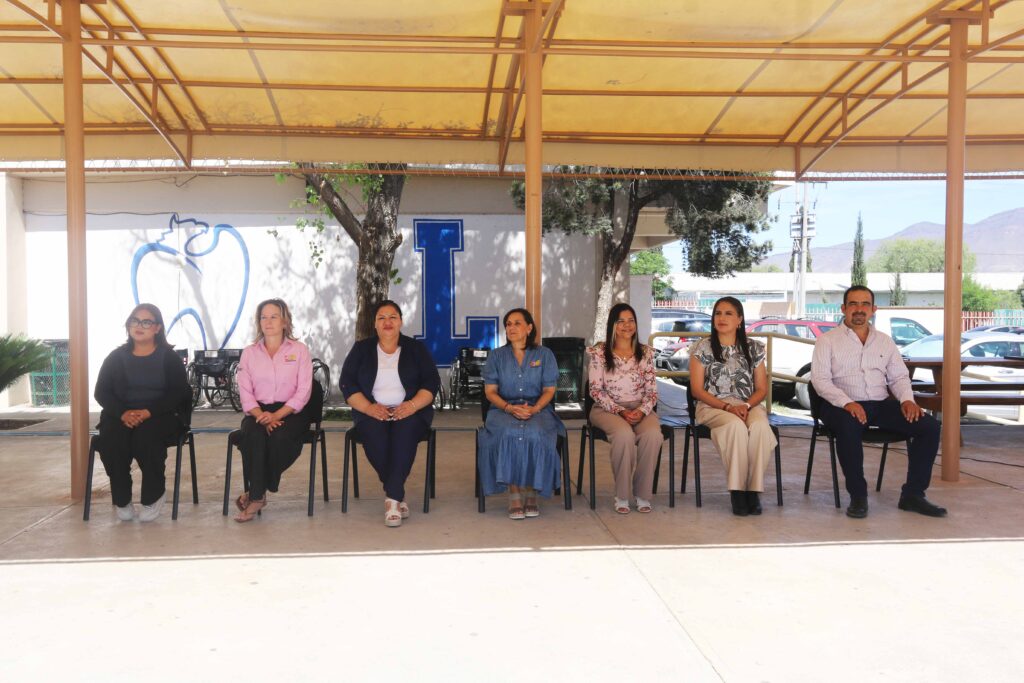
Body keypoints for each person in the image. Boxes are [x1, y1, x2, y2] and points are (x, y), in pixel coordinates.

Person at [811, 285, 945, 519]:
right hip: (839, 405)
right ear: (843, 308)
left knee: (929, 427)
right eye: (853, 304)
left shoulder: (885, 341)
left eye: (865, 304)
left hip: (879, 403)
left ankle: (913, 495)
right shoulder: (827, 341)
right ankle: (858, 496)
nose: (859, 309)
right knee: (848, 425)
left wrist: (907, 400)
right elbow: (820, 381)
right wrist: (847, 403)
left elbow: (899, 377)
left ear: (874, 309)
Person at [340, 300, 440, 527]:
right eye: (381, 318)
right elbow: (347, 383)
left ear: (401, 322)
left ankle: (392, 500)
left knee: (405, 433)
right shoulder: (361, 349)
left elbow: (431, 382)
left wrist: (411, 406)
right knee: (374, 434)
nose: (387, 322)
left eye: (393, 317)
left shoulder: (415, 349)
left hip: (411, 411)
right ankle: (397, 493)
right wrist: (369, 408)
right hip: (371, 411)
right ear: (374, 324)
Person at [94, 303, 191, 522]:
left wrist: (148, 412)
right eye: (135, 321)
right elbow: (101, 392)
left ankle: (153, 497)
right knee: (112, 440)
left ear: (157, 328)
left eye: (146, 322)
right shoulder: (115, 357)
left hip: (161, 415)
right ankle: (122, 499)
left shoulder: (169, 358)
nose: (139, 326)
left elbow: (178, 393)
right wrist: (123, 413)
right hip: (120, 415)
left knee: (146, 437)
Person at [688, 296, 777, 516]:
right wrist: (728, 408)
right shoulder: (702, 347)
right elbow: (697, 390)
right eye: (718, 313)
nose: (722, 318)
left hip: (748, 404)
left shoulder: (754, 348)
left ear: (739, 319)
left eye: (728, 313)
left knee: (760, 427)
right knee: (735, 427)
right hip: (712, 406)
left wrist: (745, 405)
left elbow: (761, 389)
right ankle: (737, 491)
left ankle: (753, 491)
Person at [478, 308, 563, 520]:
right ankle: (514, 493)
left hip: (538, 409)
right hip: (503, 409)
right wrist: (509, 408)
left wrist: (534, 409)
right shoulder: (496, 356)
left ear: (529, 328)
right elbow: (490, 392)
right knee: (509, 432)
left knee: (535, 432)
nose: (511, 327)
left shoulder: (544, 355)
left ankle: (532, 492)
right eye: (508, 324)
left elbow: (549, 390)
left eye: (517, 323)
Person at [233, 299, 314, 522]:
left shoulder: (299, 350)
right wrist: (262, 416)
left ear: (285, 321)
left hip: (291, 411)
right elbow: (245, 392)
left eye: (274, 317)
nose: (268, 322)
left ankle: (256, 493)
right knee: (252, 435)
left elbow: (304, 390)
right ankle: (258, 496)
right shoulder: (249, 353)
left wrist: (276, 416)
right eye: (263, 317)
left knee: (280, 438)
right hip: (257, 411)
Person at [587, 302, 661, 514]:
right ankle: (622, 495)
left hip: (640, 408)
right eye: (621, 321)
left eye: (631, 321)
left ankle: (642, 494)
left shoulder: (645, 353)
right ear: (612, 325)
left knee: (653, 435)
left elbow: (652, 391)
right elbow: (595, 390)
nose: (627, 325)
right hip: (606, 409)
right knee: (623, 435)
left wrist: (642, 410)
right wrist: (620, 410)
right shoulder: (599, 352)